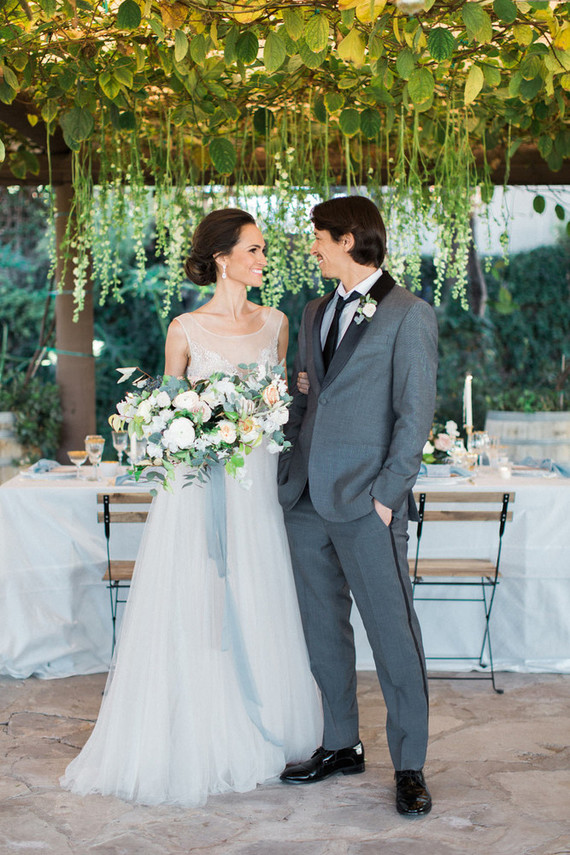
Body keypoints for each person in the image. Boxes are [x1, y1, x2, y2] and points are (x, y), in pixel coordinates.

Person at [61, 208, 322, 807]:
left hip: (256, 490)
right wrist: (197, 432)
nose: (263, 260)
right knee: (197, 599)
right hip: (197, 489)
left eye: (263, 251)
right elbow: (165, 419)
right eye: (254, 250)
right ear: (223, 257)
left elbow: (281, 405)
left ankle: (266, 718)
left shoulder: (278, 324)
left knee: (260, 593)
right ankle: (200, 726)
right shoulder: (185, 329)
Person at [277, 196, 438, 817]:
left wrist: (386, 497)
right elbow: (305, 401)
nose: (311, 247)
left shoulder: (409, 315)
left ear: (347, 239)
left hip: (369, 504)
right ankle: (341, 744)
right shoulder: (315, 309)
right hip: (306, 500)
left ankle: (410, 765)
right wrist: (285, 466)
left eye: (317, 237)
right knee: (322, 632)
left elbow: (413, 415)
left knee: (394, 637)